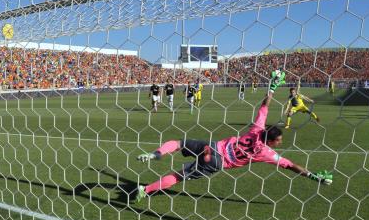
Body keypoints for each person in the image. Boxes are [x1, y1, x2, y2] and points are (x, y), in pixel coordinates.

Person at [132, 71, 332, 202]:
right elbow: (291, 166)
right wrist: (313, 176)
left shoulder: (257, 128)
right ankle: (145, 190)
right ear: (270, 141)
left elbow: (265, 105)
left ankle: (156, 154)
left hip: (212, 147)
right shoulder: (266, 153)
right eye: (278, 141)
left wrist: (272, 87)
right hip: (216, 162)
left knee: (177, 143)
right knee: (178, 176)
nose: (279, 143)